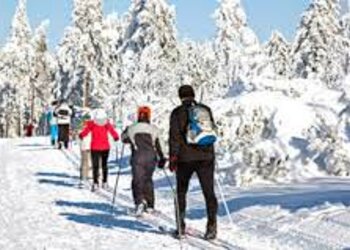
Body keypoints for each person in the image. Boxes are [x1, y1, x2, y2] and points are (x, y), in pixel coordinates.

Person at [168, 85, 218, 240]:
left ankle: (180, 227)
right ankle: (211, 227)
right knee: (209, 193)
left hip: (185, 159)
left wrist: (173, 158)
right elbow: (212, 130)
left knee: (181, 192)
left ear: (180, 96)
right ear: (193, 95)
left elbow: (174, 137)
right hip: (206, 157)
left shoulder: (177, 113)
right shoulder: (205, 109)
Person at [122, 106, 166, 216]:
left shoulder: (132, 128)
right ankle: (150, 205)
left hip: (137, 157)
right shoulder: (154, 129)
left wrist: (126, 132)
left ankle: (139, 202)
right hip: (151, 157)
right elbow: (160, 144)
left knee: (137, 180)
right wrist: (163, 158)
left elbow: (123, 139)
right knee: (148, 180)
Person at [79, 108, 119, 191]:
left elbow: (85, 132)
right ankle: (105, 182)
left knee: (95, 166)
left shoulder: (92, 124)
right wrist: (116, 137)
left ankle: (95, 183)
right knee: (104, 165)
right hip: (105, 148)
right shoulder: (106, 124)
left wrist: (81, 135)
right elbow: (113, 132)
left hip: (95, 147)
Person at [78, 108, 92, 181]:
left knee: (84, 161)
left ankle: (83, 175)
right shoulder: (93, 125)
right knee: (90, 161)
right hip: (91, 145)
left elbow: (79, 135)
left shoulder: (81, 125)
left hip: (84, 145)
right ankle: (89, 175)